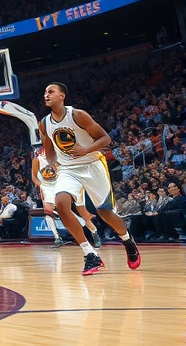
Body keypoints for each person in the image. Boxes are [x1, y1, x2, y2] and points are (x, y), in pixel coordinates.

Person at [39, 83, 140, 276]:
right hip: (68, 168)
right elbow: (49, 148)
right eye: (45, 92)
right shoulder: (44, 123)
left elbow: (105, 139)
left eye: (50, 91)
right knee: (61, 204)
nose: (46, 94)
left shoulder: (77, 115)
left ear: (62, 95)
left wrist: (86, 150)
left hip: (92, 164)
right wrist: (53, 163)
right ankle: (90, 254)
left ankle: (127, 240)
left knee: (105, 213)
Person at [31, 147, 101, 249]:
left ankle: (94, 233)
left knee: (81, 214)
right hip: (47, 187)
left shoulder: (58, 158)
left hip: (63, 185)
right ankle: (57, 237)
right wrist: (40, 186)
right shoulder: (37, 159)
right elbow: (34, 176)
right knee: (48, 211)